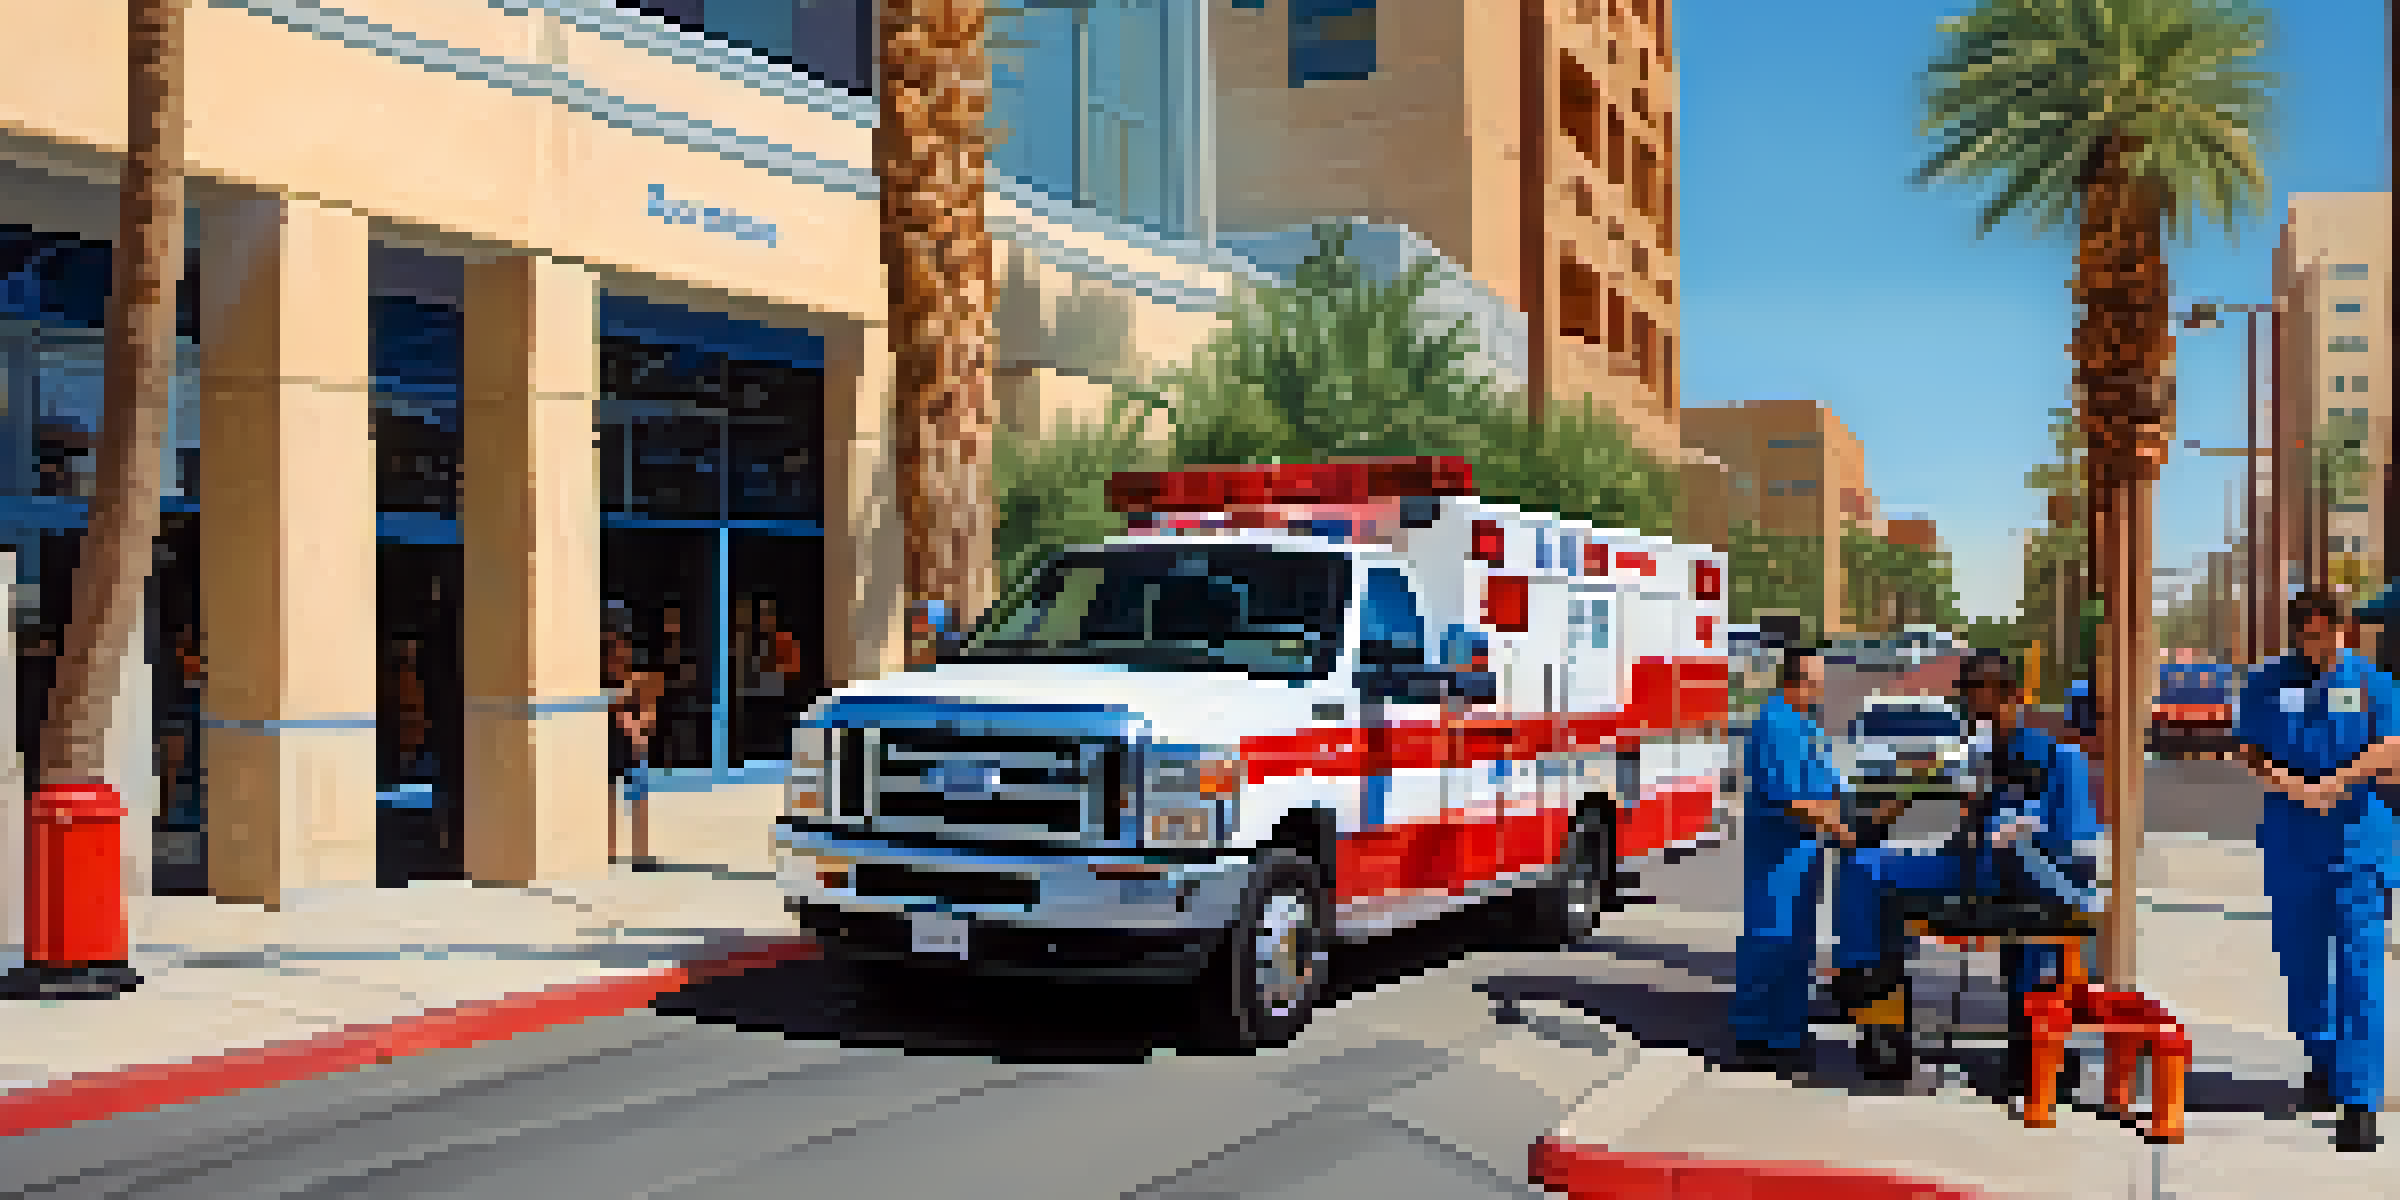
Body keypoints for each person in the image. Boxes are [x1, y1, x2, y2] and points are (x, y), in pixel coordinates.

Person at [1831, 649, 2102, 1090]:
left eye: (1983, 700)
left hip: (2037, 883)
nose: (1975, 712)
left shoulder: (2058, 758)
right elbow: (1964, 826)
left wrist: (2023, 839)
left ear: (2010, 695)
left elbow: (2078, 852)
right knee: (1866, 865)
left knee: (2033, 950)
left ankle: (2034, 1050)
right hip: (1974, 870)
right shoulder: (1978, 755)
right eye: (1968, 701)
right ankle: (1873, 996)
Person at [2234, 590, 2400, 1152]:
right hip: (2292, 841)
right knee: (2303, 966)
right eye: (2307, 635)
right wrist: (2293, 787)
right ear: (2295, 633)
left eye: (2326, 635)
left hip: (2358, 843)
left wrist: (2338, 781)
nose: (2318, 645)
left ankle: (2360, 1100)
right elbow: (2251, 748)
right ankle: (2324, 1059)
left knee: (2359, 971)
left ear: (2343, 631)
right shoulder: (2267, 682)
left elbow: (2393, 748)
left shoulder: (2372, 683)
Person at [1732, 644, 1850, 1075]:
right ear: (1793, 681)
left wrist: (1852, 812)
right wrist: (1842, 828)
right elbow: (1789, 798)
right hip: (1778, 853)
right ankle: (1757, 1034)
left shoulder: (1804, 724)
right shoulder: (1777, 724)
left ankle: (1786, 1029)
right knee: (1772, 939)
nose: (1820, 690)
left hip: (1802, 851)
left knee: (1795, 943)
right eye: (1814, 682)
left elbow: (1827, 785)